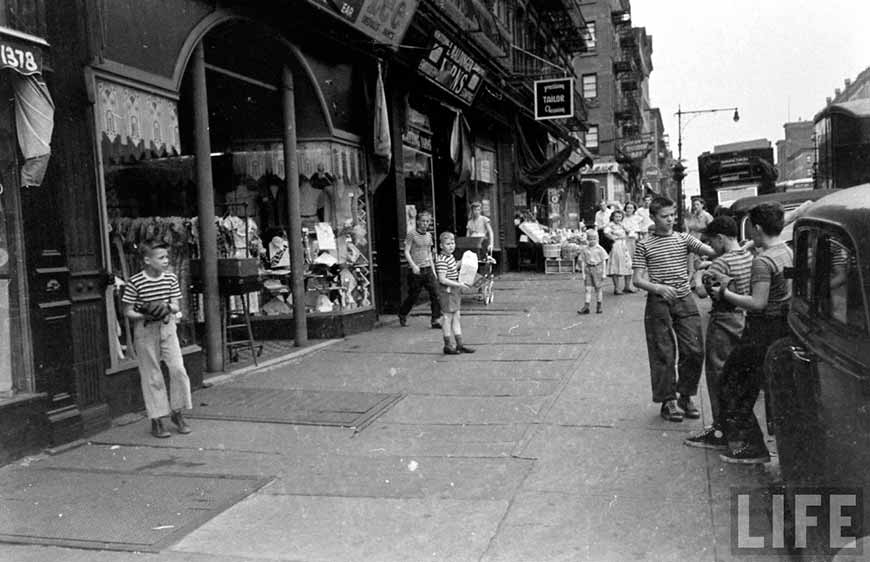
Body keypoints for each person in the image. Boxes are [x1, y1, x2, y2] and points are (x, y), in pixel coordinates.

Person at [708, 203, 792, 464]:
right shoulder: (785, 252)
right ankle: (751, 443)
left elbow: (757, 303)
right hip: (780, 325)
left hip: (761, 328)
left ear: (756, 228)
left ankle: (753, 447)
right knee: (748, 384)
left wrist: (725, 293)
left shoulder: (763, 261)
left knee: (733, 383)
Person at [632, 196, 716, 422]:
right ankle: (667, 400)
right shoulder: (644, 245)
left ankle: (685, 395)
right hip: (659, 301)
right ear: (653, 217)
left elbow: (711, 250)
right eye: (664, 216)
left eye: (672, 215)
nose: (670, 220)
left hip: (684, 298)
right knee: (663, 352)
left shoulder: (684, 239)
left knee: (694, 350)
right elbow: (637, 280)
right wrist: (658, 287)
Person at [683, 216, 753, 449]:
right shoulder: (746, 255)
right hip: (743, 316)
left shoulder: (720, 265)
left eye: (713, 242)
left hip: (723, 319)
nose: (712, 248)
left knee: (718, 374)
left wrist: (697, 275)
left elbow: (703, 293)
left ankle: (721, 429)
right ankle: (734, 427)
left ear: (721, 238)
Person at [122, 240, 192, 438]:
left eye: (166, 257)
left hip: (167, 326)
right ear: (147, 260)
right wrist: (145, 313)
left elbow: (176, 305)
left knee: (178, 369)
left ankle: (177, 412)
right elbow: (127, 310)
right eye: (161, 257)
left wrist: (165, 307)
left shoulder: (170, 278)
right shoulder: (135, 282)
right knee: (151, 373)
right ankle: (157, 419)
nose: (166, 260)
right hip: (145, 330)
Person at [398, 210, 442, 329]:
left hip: (427, 268)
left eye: (427, 221)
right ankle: (402, 313)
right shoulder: (411, 234)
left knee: (436, 294)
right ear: (418, 222)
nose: (425, 224)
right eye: (423, 221)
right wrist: (413, 265)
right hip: (416, 270)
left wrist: (434, 271)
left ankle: (435, 319)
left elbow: (429, 253)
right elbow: (406, 251)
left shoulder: (429, 236)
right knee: (413, 296)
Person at [434, 231, 473, 355]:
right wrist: (459, 284)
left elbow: (453, 268)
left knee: (456, 316)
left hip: (454, 291)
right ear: (441, 246)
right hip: (447, 291)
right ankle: (448, 345)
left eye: (452, 243)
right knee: (447, 318)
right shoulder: (441, 260)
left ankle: (459, 344)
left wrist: (464, 260)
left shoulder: (450, 257)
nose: (451, 246)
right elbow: (442, 279)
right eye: (447, 244)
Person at [603, 209, 635, 294]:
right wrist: (613, 237)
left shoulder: (622, 224)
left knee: (629, 265)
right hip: (616, 245)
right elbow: (606, 233)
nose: (618, 218)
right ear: (612, 217)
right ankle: (616, 288)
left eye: (620, 216)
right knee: (616, 265)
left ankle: (627, 286)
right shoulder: (610, 225)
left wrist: (624, 228)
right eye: (616, 216)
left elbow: (629, 232)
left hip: (624, 245)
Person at [577, 230, 609, 314]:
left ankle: (599, 305)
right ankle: (586, 306)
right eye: (590, 239)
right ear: (587, 239)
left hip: (597, 269)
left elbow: (604, 261)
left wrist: (604, 273)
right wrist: (583, 273)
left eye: (594, 239)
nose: (592, 241)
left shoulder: (600, 249)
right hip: (588, 269)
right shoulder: (584, 249)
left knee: (598, 289)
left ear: (597, 239)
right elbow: (583, 261)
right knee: (588, 289)